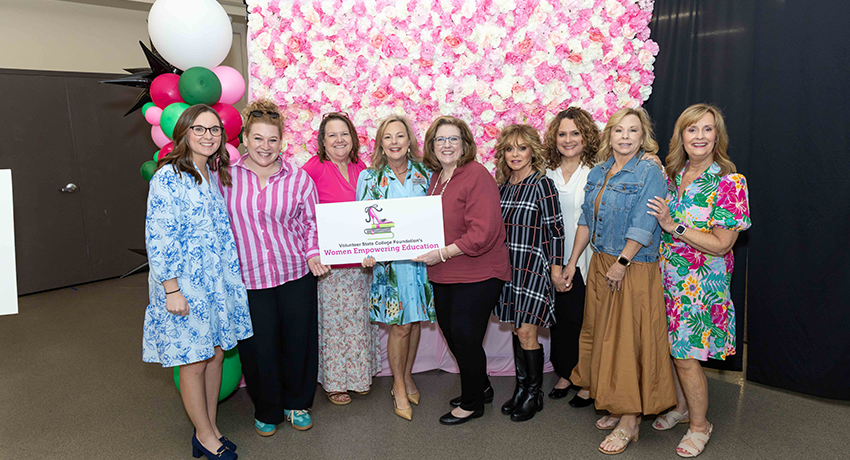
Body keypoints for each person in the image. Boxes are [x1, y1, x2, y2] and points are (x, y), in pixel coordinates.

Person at [143, 104, 253, 460]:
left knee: (217, 354)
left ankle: (211, 429)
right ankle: (204, 436)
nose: (208, 136)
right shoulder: (169, 177)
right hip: (185, 285)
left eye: (214, 129)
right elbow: (159, 238)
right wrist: (171, 289)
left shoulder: (212, 173)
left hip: (216, 283)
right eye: (200, 129)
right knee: (193, 361)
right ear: (185, 134)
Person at [563, 107, 676, 454]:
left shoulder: (649, 172)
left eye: (632, 131)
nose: (625, 136)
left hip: (632, 266)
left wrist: (623, 262)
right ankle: (615, 402)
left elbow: (645, 222)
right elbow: (585, 219)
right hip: (600, 263)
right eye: (618, 131)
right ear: (608, 135)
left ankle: (630, 421)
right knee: (601, 336)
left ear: (643, 137)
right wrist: (572, 263)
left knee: (627, 343)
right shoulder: (597, 172)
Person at [647, 104, 751, 458]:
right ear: (681, 136)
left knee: (687, 356)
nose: (700, 137)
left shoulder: (729, 182)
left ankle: (699, 425)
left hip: (701, 287)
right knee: (672, 351)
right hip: (666, 277)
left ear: (717, 136)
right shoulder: (673, 175)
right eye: (692, 130)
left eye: (708, 130)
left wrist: (673, 225)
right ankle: (681, 408)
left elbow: (723, 244)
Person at [219, 100, 329, 435]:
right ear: (245, 140)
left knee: (299, 342)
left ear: (282, 142)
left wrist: (313, 253)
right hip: (249, 279)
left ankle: (297, 403)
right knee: (258, 348)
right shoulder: (226, 178)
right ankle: (267, 408)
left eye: (272, 140)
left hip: (294, 274)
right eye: (258, 139)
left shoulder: (298, 179)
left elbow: (311, 223)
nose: (265, 147)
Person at [412, 116, 511, 425]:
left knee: (466, 337)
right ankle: (480, 386)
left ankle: (472, 403)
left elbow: (483, 233)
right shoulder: (437, 177)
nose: (447, 145)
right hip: (445, 271)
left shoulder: (477, 175)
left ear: (466, 143)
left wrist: (440, 253)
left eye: (453, 139)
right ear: (431, 146)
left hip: (479, 270)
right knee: (452, 334)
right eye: (440, 140)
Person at [357, 115, 436, 421]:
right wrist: (366, 251)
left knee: (415, 321)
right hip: (389, 266)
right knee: (400, 325)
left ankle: (407, 374)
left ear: (409, 140)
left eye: (400, 136)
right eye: (388, 137)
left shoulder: (425, 173)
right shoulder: (369, 177)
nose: (394, 142)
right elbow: (363, 223)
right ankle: (398, 384)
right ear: (380, 142)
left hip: (420, 263)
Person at [302, 112, 380, 406]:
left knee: (359, 321)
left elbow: (372, 212)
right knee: (334, 326)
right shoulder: (313, 169)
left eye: (344, 134)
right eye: (332, 135)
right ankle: (335, 382)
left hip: (361, 264)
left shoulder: (363, 168)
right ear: (322, 141)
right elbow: (303, 214)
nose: (339, 140)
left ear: (353, 138)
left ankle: (359, 376)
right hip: (330, 266)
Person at [492, 124, 565, 422]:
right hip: (508, 268)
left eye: (521, 148)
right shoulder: (503, 186)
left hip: (534, 268)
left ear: (533, 150)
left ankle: (534, 394)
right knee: (515, 328)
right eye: (509, 149)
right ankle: (522, 389)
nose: (515, 154)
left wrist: (557, 268)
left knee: (526, 330)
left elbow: (556, 230)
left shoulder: (542, 184)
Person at [543, 108, 597, 408]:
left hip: (586, 258)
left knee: (584, 320)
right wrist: (556, 264)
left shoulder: (597, 170)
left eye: (575, 133)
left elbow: (588, 219)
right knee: (560, 319)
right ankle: (565, 373)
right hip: (553, 259)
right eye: (562, 133)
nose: (568, 139)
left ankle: (586, 379)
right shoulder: (546, 173)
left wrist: (572, 262)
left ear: (586, 136)